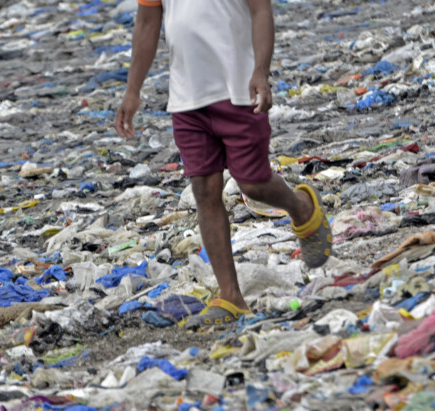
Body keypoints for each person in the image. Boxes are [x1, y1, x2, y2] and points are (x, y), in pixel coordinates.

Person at [115, 0, 332, 328]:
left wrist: (261, 71)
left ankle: (301, 207)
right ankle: (231, 296)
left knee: (253, 183)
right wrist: (133, 90)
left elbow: (260, 10)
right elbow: (147, 22)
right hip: (187, 99)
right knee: (204, 189)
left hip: (239, 90)